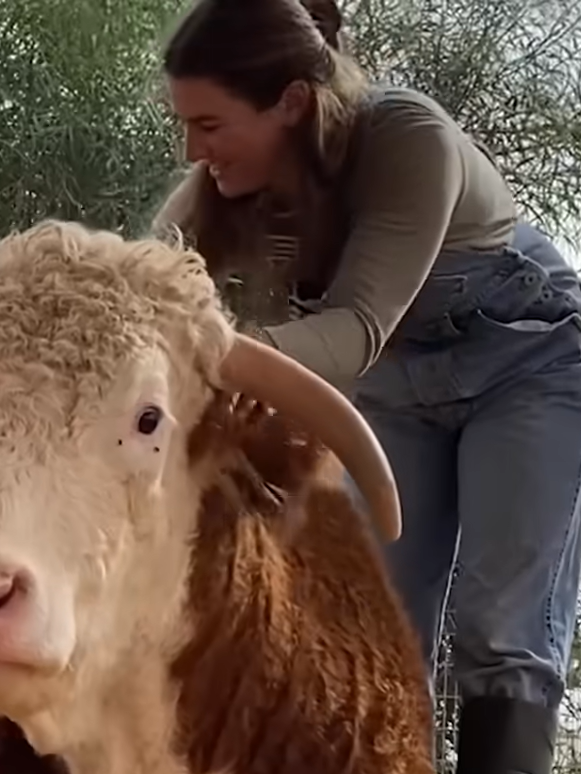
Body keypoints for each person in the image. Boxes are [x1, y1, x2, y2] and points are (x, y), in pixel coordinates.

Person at [149, 1, 581, 773]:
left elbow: (353, 327)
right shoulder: (225, 184)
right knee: (376, 627)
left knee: (501, 628)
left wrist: (216, 358)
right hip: (391, 389)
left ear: (289, 102)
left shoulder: (408, 135)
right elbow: (144, 289)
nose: (194, 149)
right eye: (186, 125)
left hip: (531, 365)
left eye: (210, 126)